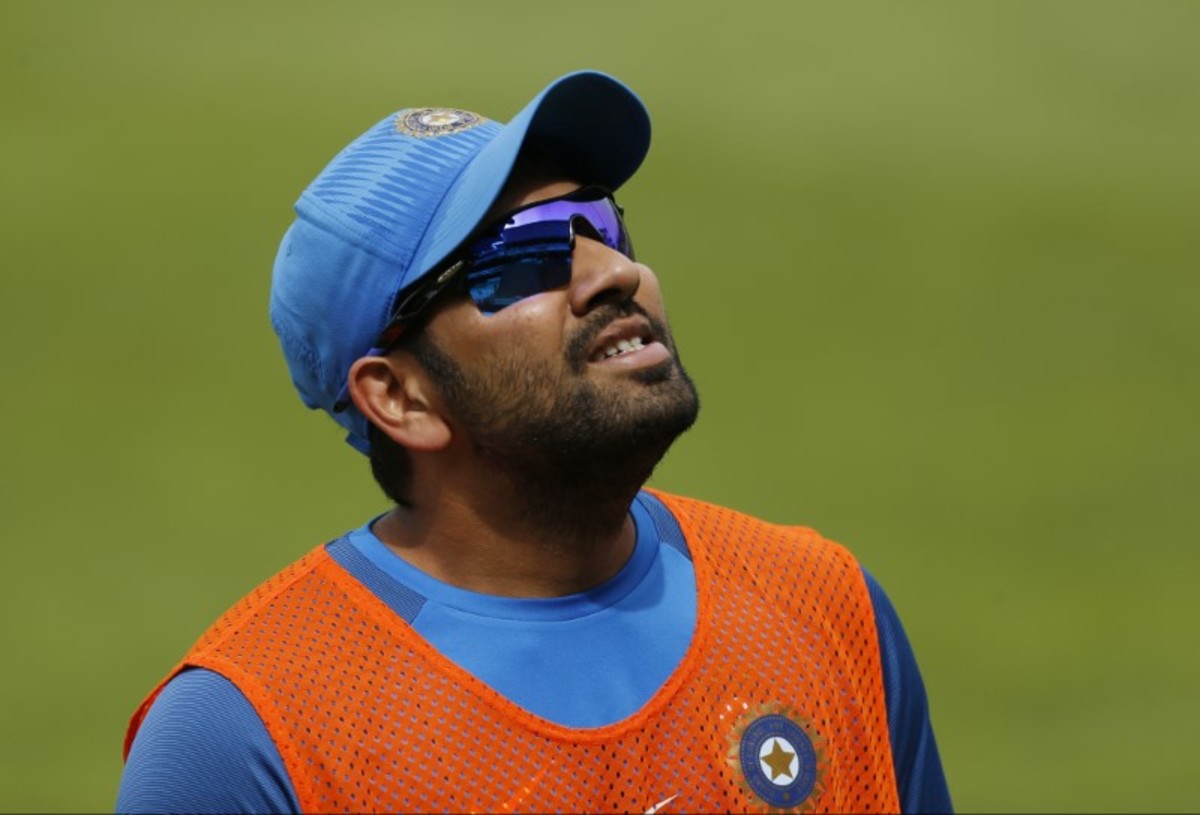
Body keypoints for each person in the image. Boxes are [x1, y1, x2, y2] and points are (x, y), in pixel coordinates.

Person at [117, 70, 952, 814]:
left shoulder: (822, 609)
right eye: (523, 258)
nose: (614, 273)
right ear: (400, 397)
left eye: (602, 225)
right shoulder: (251, 736)